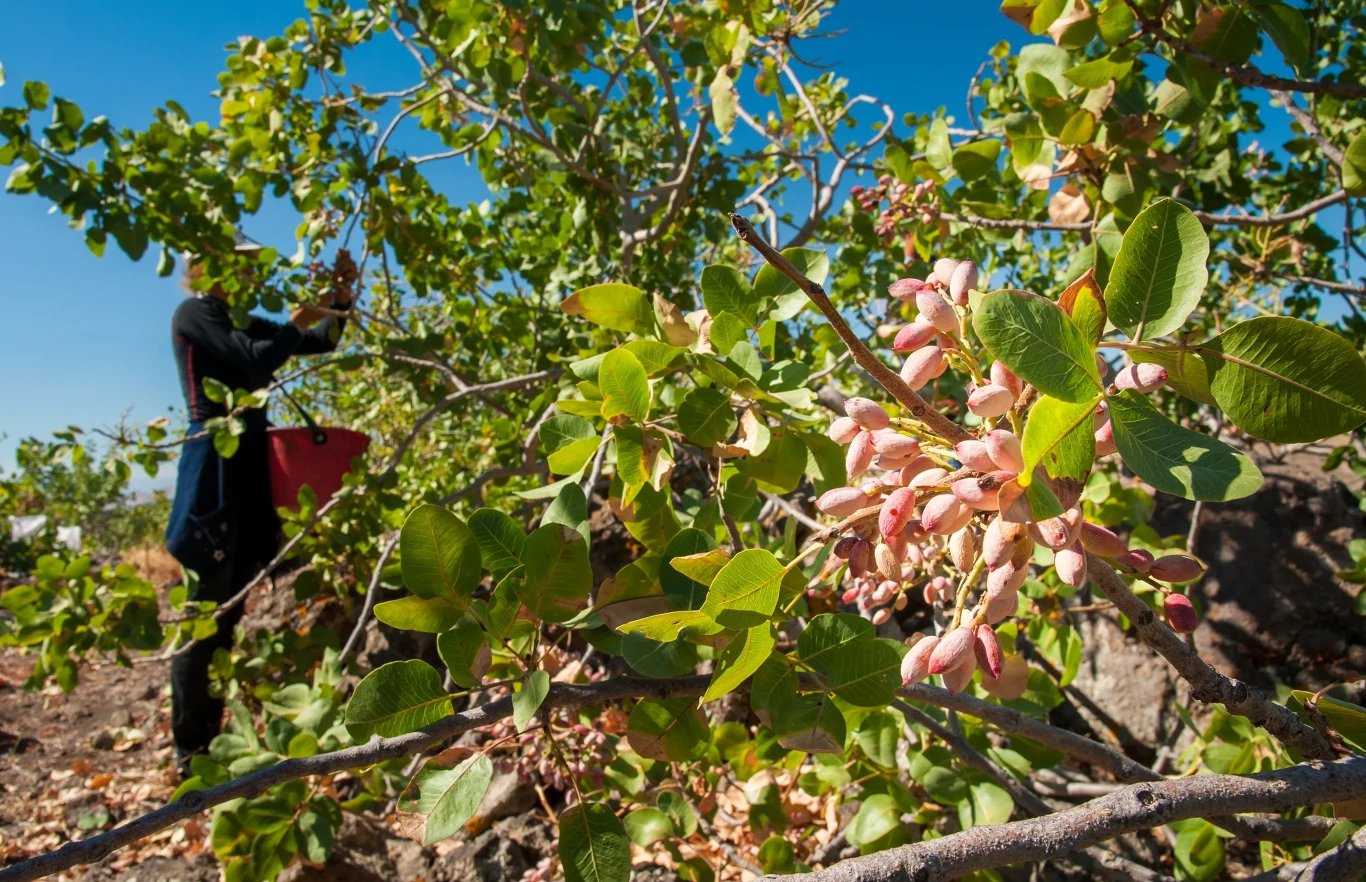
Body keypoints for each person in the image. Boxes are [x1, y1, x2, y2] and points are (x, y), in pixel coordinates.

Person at [164, 246, 357, 772]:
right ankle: (189, 749)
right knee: (204, 614)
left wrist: (338, 301)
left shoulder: (239, 319)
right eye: (239, 262)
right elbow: (257, 359)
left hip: (248, 470)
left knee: (230, 611)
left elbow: (319, 342)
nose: (249, 271)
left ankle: (210, 739)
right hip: (214, 467)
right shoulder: (196, 313)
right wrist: (301, 317)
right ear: (207, 267)